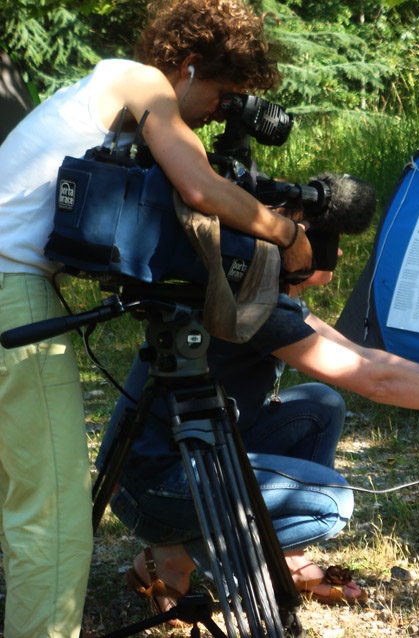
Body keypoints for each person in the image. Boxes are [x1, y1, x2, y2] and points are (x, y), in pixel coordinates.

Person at [0, 1, 310, 635]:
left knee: (23, 494)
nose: (215, 114)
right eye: (221, 97)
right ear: (189, 67)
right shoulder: (140, 81)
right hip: (10, 289)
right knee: (53, 518)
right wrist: (288, 237)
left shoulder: (101, 96)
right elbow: (199, 188)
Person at [104, 254, 419, 617]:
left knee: (320, 406)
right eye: (327, 240)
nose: (340, 253)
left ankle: (283, 557)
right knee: (331, 504)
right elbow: (374, 382)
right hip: (153, 488)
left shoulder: (265, 293)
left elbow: (365, 357)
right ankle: (174, 556)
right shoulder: (255, 308)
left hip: (176, 464)